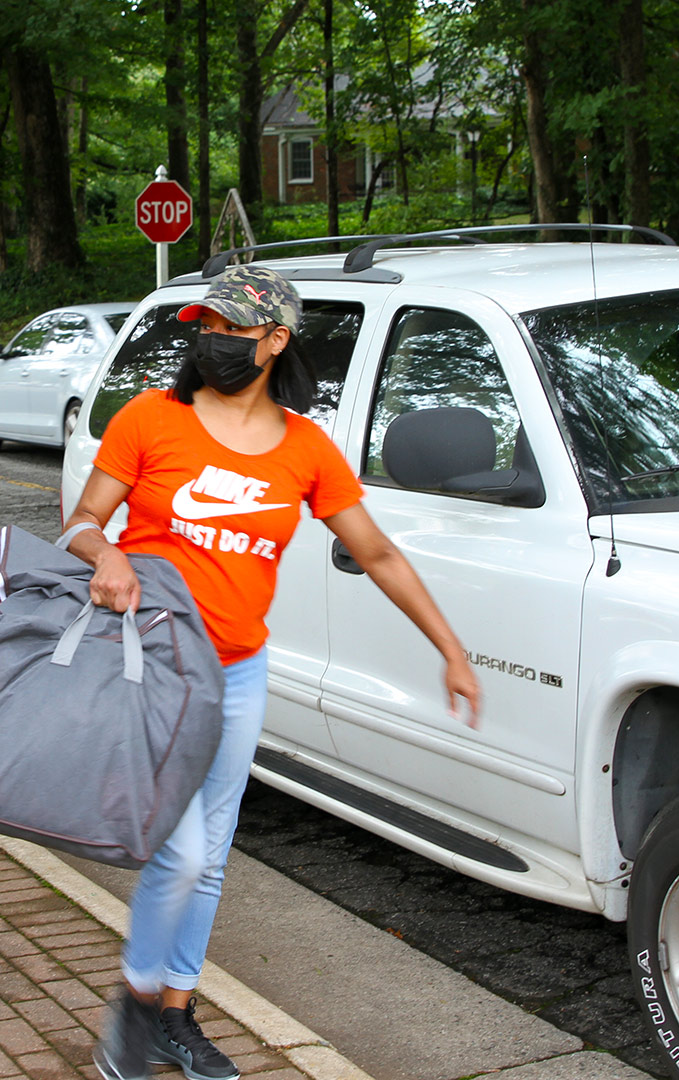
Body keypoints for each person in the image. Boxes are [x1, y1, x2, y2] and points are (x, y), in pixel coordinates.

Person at [61, 265, 481, 1080]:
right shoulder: (153, 419)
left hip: (240, 671)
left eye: (232, 329)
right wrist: (108, 551)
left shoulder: (306, 449)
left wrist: (452, 651)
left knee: (212, 853)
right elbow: (82, 520)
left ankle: (174, 1019)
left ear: (275, 340)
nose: (212, 341)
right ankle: (133, 1013)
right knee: (178, 854)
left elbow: (380, 553)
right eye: (205, 327)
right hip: (152, 662)